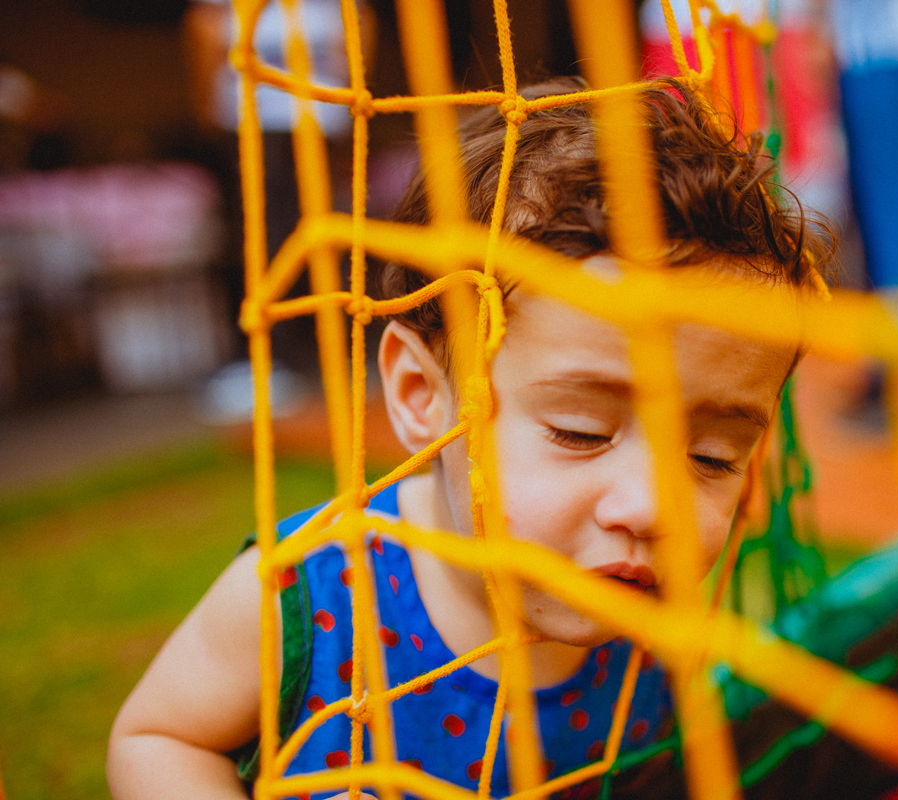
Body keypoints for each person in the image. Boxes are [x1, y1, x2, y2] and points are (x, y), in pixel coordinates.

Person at [106, 76, 831, 800]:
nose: (652, 506)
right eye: (580, 432)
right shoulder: (310, 592)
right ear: (422, 395)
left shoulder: (654, 622)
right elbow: (158, 739)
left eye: (711, 458)